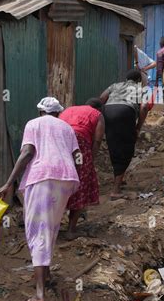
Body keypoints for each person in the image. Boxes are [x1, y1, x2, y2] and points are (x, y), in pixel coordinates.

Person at [0, 97, 80, 301]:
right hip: (66, 178)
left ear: (40, 110)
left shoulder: (33, 124)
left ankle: (39, 295)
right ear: (58, 112)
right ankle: (47, 274)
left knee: (37, 231)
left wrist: (9, 183)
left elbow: (27, 153)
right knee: (50, 228)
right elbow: (77, 156)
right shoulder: (67, 128)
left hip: (42, 176)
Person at [59, 98, 105, 240]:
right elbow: (97, 140)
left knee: (61, 180)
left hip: (59, 142)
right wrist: (91, 158)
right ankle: (71, 230)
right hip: (79, 143)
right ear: (99, 108)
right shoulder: (98, 114)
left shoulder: (69, 109)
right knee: (81, 184)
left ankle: (50, 226)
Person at [100, 70, 149, 199]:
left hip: (108, 111)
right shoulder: (140, 88)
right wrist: (138, 127)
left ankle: (119, 179)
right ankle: (116, 190)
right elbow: (144, 107)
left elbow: (101, 98)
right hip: (125, 112)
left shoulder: (115, 85)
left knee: (114, 145)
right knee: (126, 148)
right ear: (138, 80)